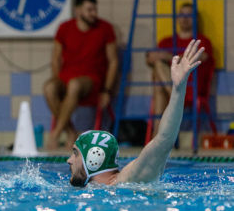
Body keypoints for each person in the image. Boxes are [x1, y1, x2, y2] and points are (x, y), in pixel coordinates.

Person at [67, 39, 204, 187]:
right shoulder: (93, 190)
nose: (69, 160)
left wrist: (178, 89)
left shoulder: (128, 180)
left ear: (94, 158)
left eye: (76, 153)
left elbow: (164, 140)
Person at [43, 0, 119, 150]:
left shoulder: (105, 29)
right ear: (78, 10)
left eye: (95, 10)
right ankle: (71, 132)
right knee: (49, 87)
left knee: (74, 85)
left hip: (91, 81)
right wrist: (57, 81)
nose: (94, 14)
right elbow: (55, 59)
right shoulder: (64, 28)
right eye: (89, 10)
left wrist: (107, 90)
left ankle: (55, 135)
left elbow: (113, 61)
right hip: (66, 79)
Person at [146, 3, 215, 139]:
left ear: (195, 19)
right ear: (177, 18)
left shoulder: (202, 41)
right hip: (169, 89)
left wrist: (167, 56)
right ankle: (175, 94)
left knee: (159, 75)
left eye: (188, 15)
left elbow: (197, 56)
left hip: (191, 89)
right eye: (182, 14)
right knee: (158, 70)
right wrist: (153, 57)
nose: (184, 18)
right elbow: (151, 58)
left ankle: (156, 139)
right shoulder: (166, 41)